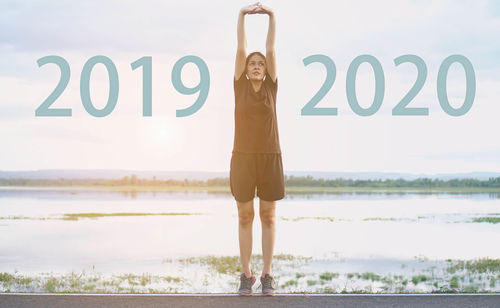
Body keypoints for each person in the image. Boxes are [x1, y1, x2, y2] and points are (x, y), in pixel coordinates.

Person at [230, 2, 285, 296]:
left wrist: (271, 16)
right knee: (244, 216)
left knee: (268, 215)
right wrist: (242, 15)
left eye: (260, 64)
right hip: (242, 158)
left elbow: (271, 49)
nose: (255, 66)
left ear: (265, 71)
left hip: (269, 157)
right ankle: (246, 274)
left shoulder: (271, 88)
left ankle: (267, 275)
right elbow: (241, 49)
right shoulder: (239, 86)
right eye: (252, 63)